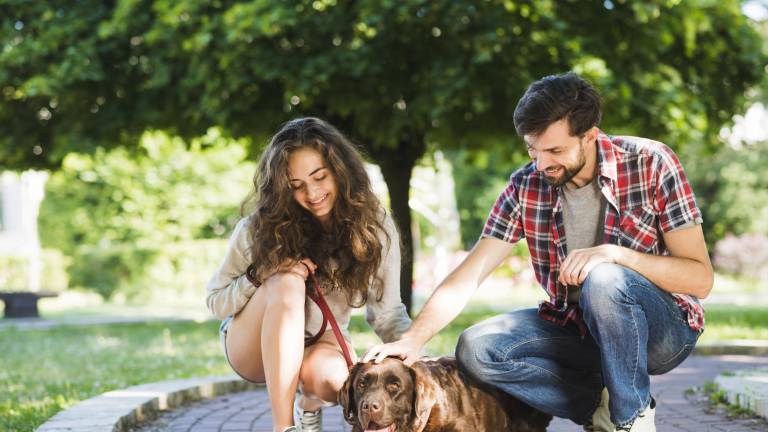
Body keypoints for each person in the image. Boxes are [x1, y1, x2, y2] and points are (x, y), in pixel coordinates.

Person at [362, 72, 713, 432]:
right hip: (577, 329)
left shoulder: (651, 162)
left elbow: (699, 279)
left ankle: (631, 419)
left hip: (662, 331)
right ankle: (598, 407)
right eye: (533, 149)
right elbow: (471, 273)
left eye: (555, 151)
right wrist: (413, 339)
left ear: (590, 135)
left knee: (604, 278)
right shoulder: (526, 185)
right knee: (477, 348)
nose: (542, 164)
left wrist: (615, 254)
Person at [207, 117, 411, 432]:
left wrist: (419, 357)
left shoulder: (374, 227)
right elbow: (216, 301)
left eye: (320, 177)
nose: (312, 193)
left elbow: (387, 314)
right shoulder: (256, 229)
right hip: (252, 345)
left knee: (340, 385)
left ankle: (310, 403)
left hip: (322, 340)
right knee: (287, 279)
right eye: (296, 186)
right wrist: (261, 273)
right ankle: (284, 427)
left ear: (341, 173)